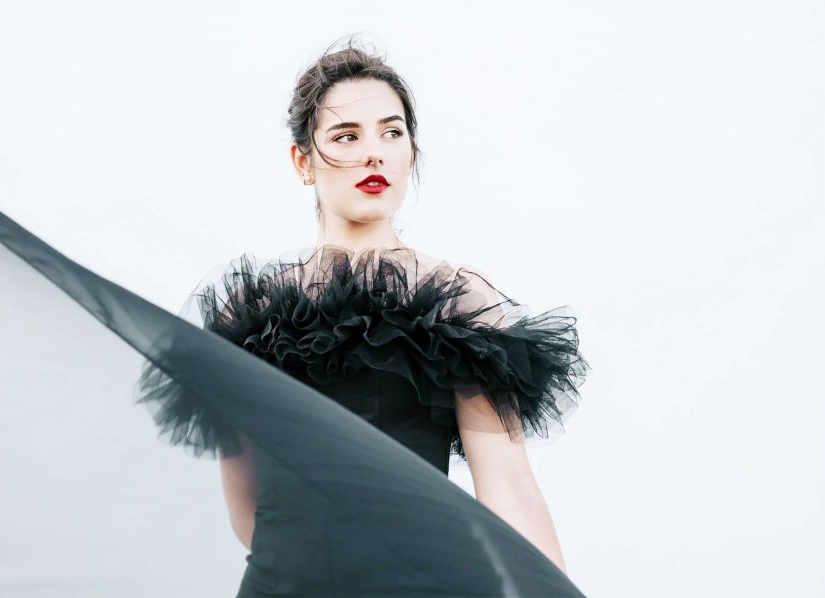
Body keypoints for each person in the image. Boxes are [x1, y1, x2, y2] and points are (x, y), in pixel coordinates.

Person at [133, 36, 592, 596]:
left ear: (411, 153)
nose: (374, 154)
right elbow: (247, 513)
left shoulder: (456, 301)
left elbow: (510, 492)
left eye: (391, 133)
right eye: (346, 136)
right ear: (303, 161)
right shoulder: (250, 313)